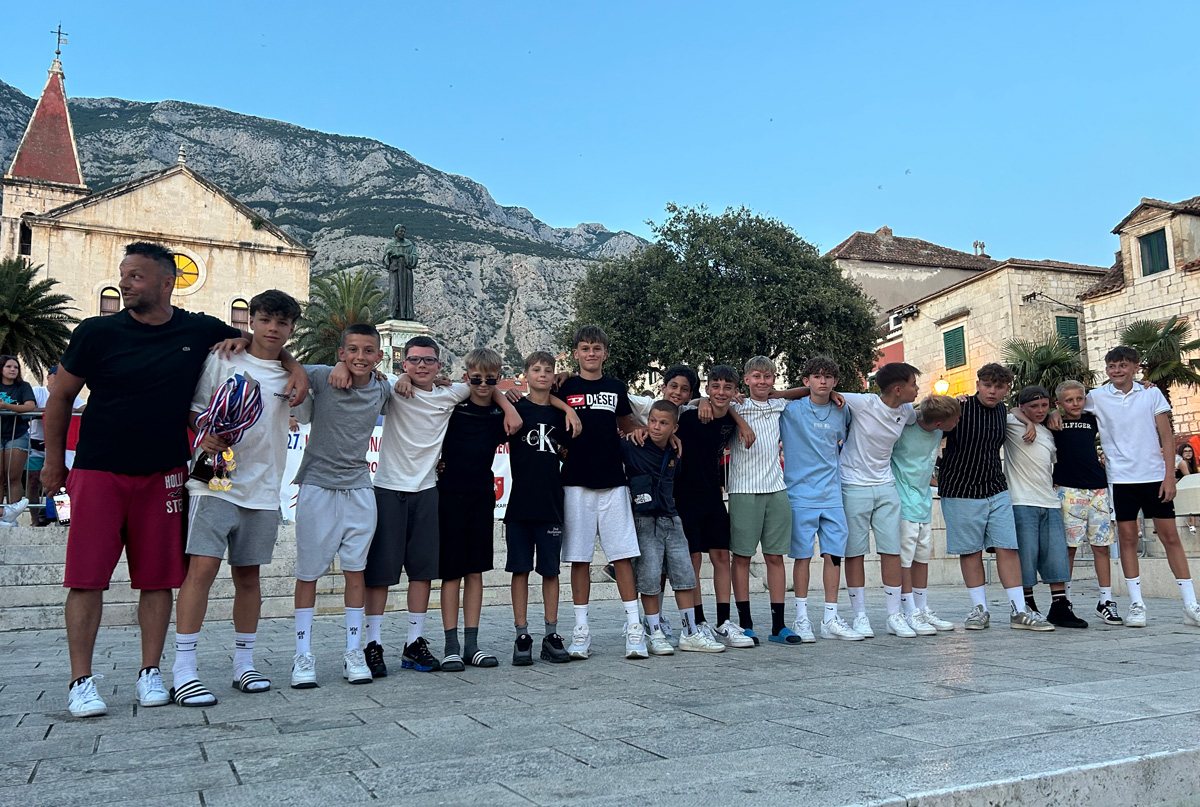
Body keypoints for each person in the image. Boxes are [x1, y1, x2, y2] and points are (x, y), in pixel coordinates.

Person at [43, 241, 309, 719]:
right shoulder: (96, 331)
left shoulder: (200, 330)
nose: (124, 283)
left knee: (158, 581)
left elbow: (266, 345)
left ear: (167, 283)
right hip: (99, 468)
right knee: (85, 580)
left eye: (136, 276)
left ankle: (151, 673)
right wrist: (52, 462)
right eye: (123, 275)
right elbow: (61, 396)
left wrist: (298, 370)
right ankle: (81, 681)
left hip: (165, 473)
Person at [170, 290, 303, 705]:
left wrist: (296, 366)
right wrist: (204, 430)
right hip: (214, 481)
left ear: (292, 328)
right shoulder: (224, 358)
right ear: (252, 321)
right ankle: (184, 669)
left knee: (249, 577)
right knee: (202, 571)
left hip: (262, 490)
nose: (272, 329)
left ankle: (243, 664)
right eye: (265, 320)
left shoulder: (291, 378)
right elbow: (194, 408)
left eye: (282, 323)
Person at [361, 336, 519, 675]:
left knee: (439, 572)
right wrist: (398, 379)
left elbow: (491, 387)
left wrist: (507, 404)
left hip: (448, 494)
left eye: (428, 360)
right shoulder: (397, 389)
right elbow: (364, 375)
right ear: (403, 362)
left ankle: (436, 644)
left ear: (439, 365)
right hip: (407, 491)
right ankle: (380, 644)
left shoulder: (453, 395)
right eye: (414, 360)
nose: (482, 384)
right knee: (390, 574)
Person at [438, 347, 570, 670]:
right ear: (466, 377)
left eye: (490, 380)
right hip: (453, 497)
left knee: (477, 572)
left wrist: (564, 405)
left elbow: (534, 405)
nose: (483, 384)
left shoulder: (504, 414)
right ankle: (453, 646)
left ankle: (473, 645)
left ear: (498, 378)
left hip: (488, 497)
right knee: (453, 573)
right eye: (476, 379)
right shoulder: (454, 406)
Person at [288, 323, 392, 689]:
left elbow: (419, 384)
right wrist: (333, 368)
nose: (360, 357)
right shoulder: (321, 376)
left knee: (355, 571)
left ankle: (353, 652)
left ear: (379, 356)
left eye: (368, 351)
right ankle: (303, 655)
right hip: (317, 485)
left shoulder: (384, 387)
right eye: (353, 350)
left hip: (360, 488)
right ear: (341, 353)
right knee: (308, 573)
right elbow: (287, 364)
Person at [1083, 346, 1200, 627]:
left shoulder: (1151, 393)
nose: (1117, 371)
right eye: (1112, 366)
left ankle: (1190, 604)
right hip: (1120, 479)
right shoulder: (1096, 397)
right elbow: (1068, 406)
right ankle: (1137, 604)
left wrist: (1169, 476)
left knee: (1170, 537)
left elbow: (1166, 436)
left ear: (1135, 367)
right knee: (1127, 539)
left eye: (1123, 365)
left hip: (1154, 476)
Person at [553, 325, 646, 660]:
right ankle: (581, 630)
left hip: (613, 482)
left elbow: (627, 425)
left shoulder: (616, 387)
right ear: (575, 353)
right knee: (579, 558)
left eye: (596, 348)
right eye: (585, 348)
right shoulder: (564, 386)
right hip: (575, 482)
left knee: (622, 556)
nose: (591, 353)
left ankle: (634, 627)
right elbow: (540, 396)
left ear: (605, 353)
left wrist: (658, 433)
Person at [938, 363, 1052, 631]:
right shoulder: (959, 407)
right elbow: (930, 420)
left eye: (998, 387)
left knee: (1008, 548)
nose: (992, 391)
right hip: (959, 488)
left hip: (996, 487)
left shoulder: (1003, 411)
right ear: (977, 384)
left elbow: (1018, 411)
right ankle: (979, 610)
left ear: (1006, 389)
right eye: (987, 385)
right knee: (970, 551)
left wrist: (1028, 421)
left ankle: (1018, 611)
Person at [624, 400, 726, 655]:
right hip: (645, 520)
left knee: (684, 575)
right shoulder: (633, 444)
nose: (656, 427)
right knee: (649, 578)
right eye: (652, 421)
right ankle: (654, 631)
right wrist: (634, 430)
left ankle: (690, 632)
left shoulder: (675, 450)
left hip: (672, 519)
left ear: (674, 428)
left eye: (663, 423)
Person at [836, 362, 922, 639]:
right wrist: (777, 395)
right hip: (853, 484)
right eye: (913, 384)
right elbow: (820, 391)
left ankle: (894, 616)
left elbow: (926, 417)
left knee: (892, 550)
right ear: (897, 389)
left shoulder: (907, 411)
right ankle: (859, 616)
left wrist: (959, 403)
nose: (917, 389)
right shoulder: (864, 403)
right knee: (855, 552)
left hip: (886, 485)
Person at [506, 351, 578, 666]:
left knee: (550, 572)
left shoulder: (561, 415)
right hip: (520, 505)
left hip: (551, 504)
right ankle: (522, 635)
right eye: (536, 369)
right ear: (526, 374)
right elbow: (488, 395)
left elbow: (568, 449)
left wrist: (567, 408)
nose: (543, 375)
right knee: (519, 570)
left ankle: (551, 634)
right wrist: (505, 399)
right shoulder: (515, 409)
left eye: (548, 370)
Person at [778, 357, 858, 642]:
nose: (822, 381)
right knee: (802, 556)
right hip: (799, 494)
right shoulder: (791, 410)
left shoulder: (843, 410)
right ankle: (801, 618)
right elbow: (773, 396)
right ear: (806, 380)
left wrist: (833, 396)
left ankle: (830, 618)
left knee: (834, 555)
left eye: (828, 377)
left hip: (832, 494)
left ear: (835, 381)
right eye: (816, 376)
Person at [676, 365, 755, 648]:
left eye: (727, 387)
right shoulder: (691, 417)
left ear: (735, 391)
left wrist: (740, 421)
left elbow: (731, 408)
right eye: (716, 387)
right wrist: (701, 402)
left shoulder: (732, 419)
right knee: (694, 559)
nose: (721, 392)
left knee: (722, 555)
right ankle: (698, 622)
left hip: (713, 494)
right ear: (707, 388)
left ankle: (724, 621)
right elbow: (675, 408)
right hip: (685, 496)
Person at [1004, 386, 1084, 629]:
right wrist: (1026, 422)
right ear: (1024, 407)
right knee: (1026, 556)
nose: (1039, 411)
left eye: (1043, 406)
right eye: (1033, 406)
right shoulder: (1012, 423)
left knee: (1056, 555)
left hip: (1049, 501)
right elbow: (1012, 409)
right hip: (1022, 500)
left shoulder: (1049, 431)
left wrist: (1046, 417)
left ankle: (1060, 605)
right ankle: (1027, 604)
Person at [728, 356, 792, 645]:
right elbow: (702, 402)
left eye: (767, 377)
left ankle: (779, 626)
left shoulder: (779, 404)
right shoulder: (735, 405)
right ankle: (745, 623)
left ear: (774, 379)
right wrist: (738, 418)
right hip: (743, 490)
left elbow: (806, 391)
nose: (762, 382)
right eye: (756, 376)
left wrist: (779, 393)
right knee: (742, 557)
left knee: (775, 557)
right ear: (746, 380)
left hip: (776, 488)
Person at [1050, 380, 1121, 625]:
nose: (1075, 404)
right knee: (1068, 548)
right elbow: (1022, 411)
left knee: (1101, 546)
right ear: (1059, 403)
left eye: (1079, 398)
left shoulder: (1093, 419)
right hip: (1068, 489)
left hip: (1098, 488)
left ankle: (1106, 600)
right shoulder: (1054, 422)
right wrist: (1052, 413)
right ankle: (1064, 601)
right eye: (1069, 400)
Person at [890, 394, 960, 635]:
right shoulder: (904, 430)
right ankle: (908, 609)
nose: (958, 422)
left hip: (923, 502)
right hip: (903, 502)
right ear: (940, 423)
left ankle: (922, 608)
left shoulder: (938, 430)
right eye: (956, 419)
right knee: (904, 560)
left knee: (922, 558)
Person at [25, 365, 85, 527]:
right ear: (48, 377)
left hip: (57, 446)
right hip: (35, 443)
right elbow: (27, 407)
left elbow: (82, 408)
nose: (58, 378)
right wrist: (54, 410)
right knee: (33, 480)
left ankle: (63, 518)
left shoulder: (68, 395)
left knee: (59, 480)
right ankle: (35, 519)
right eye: (55, 375)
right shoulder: (37, 392)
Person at [0, 354, 35, 508]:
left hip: (17, 434)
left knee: (13, 477)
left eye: (16, 367)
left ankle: (12, 513)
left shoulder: (23, 386)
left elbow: (30, 406)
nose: (13, 369)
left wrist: (6, 406)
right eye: (8, 366)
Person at [1176, 444, 1197, 535]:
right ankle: (1192, 522)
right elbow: (1188, 477)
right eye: (1185, 451)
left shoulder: (1191, 464)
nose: (1188, 453)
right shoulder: (1182, 462)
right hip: (1180, 488)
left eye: (1190, 451)